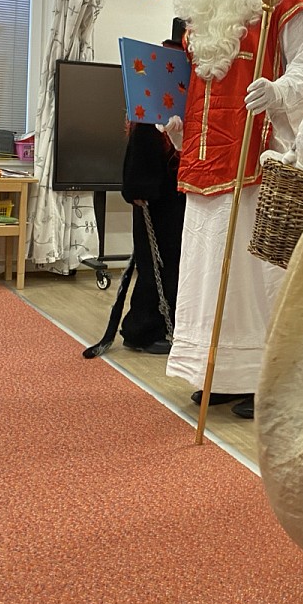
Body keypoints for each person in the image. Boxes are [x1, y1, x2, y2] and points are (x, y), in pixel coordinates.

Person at [164, 0, 303, 420]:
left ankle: (263, 379)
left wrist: (277, 92)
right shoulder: (201, 18)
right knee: (207, 271)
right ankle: (217, 371)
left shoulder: (286, 3)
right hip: (203, 163)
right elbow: (196, 91)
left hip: (257, 161)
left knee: (255, 278)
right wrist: (180, 129)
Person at [117, 20, 189, 354]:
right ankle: (144, 329)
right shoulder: (155, 87)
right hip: (157, 193)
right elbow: (141, 139)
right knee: (155, 262)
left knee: (172, 261)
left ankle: (166, 324)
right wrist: (139, 188)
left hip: (180, 189)